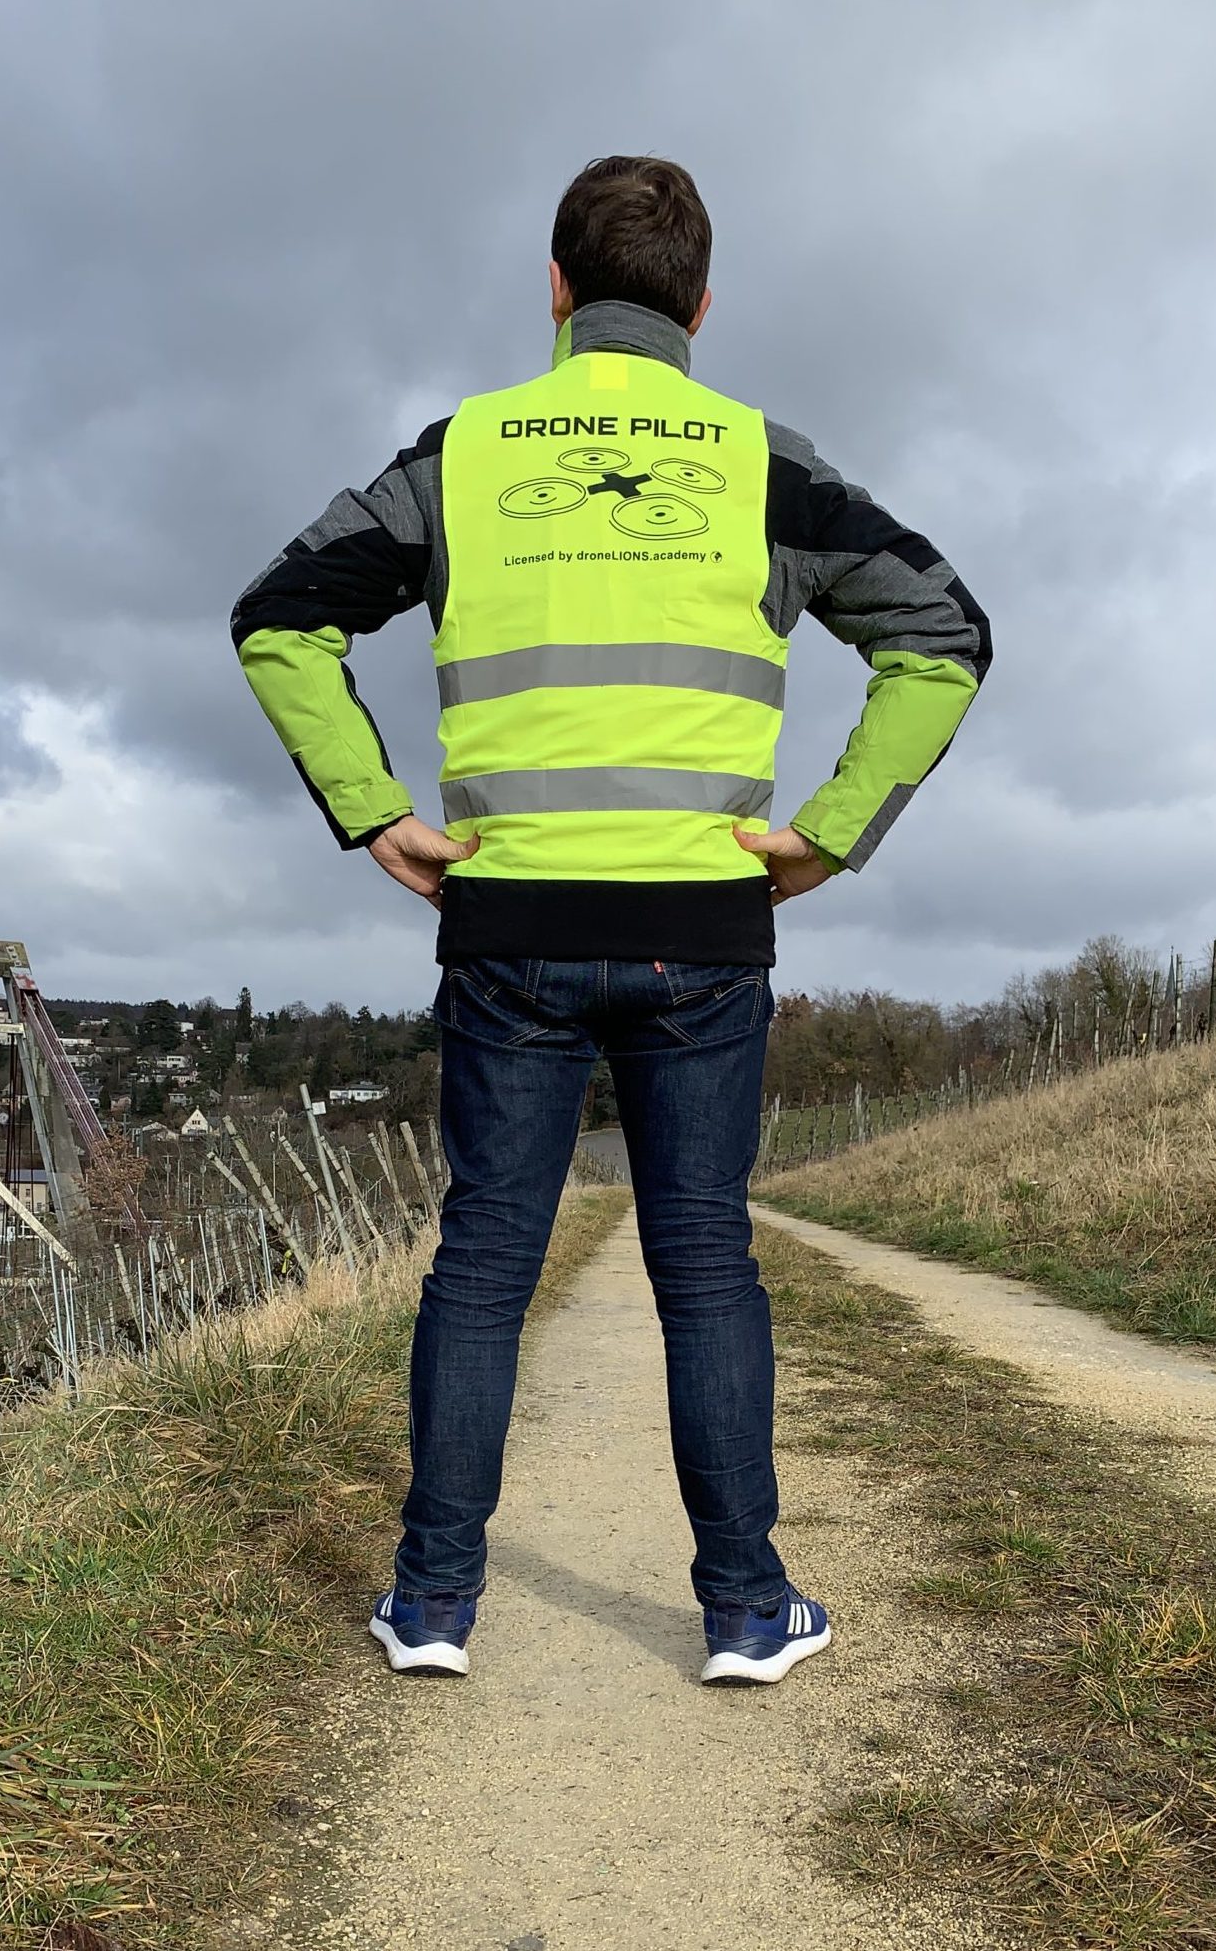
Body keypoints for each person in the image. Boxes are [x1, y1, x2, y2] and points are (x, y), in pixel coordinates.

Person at [231, 156, 990, 1686]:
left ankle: (431, 1604)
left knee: (481, 1263)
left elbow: (279, 616)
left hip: (504, 923)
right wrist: (830, 832)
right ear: (700, 307)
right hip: (701, 930)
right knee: (704, 1265)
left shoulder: (459, 456)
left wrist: (373, 809)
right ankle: (745, 1610)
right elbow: (943, 632)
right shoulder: (762, 463)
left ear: (557, 289)